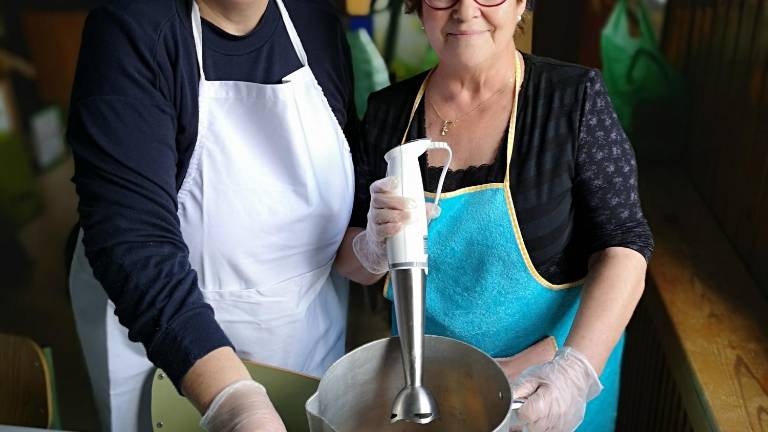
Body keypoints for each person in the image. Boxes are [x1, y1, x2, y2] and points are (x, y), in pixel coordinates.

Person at [334, 0, 653, 430]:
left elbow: (625, 245)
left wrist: (573, 374)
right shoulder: (387, 115)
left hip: (548, 386)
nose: (466, 11)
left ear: (522, 4)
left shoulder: (572, 100)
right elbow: (351, 265)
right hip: (433, 389)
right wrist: (371, 248)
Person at [66, 0, 356, 430]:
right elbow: (133, 240)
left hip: (305, 333)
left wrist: (369, 243)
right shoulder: (132, 31)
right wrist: (234, 401)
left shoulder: (318, 25)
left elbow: (346, 173)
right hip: (168, 346)